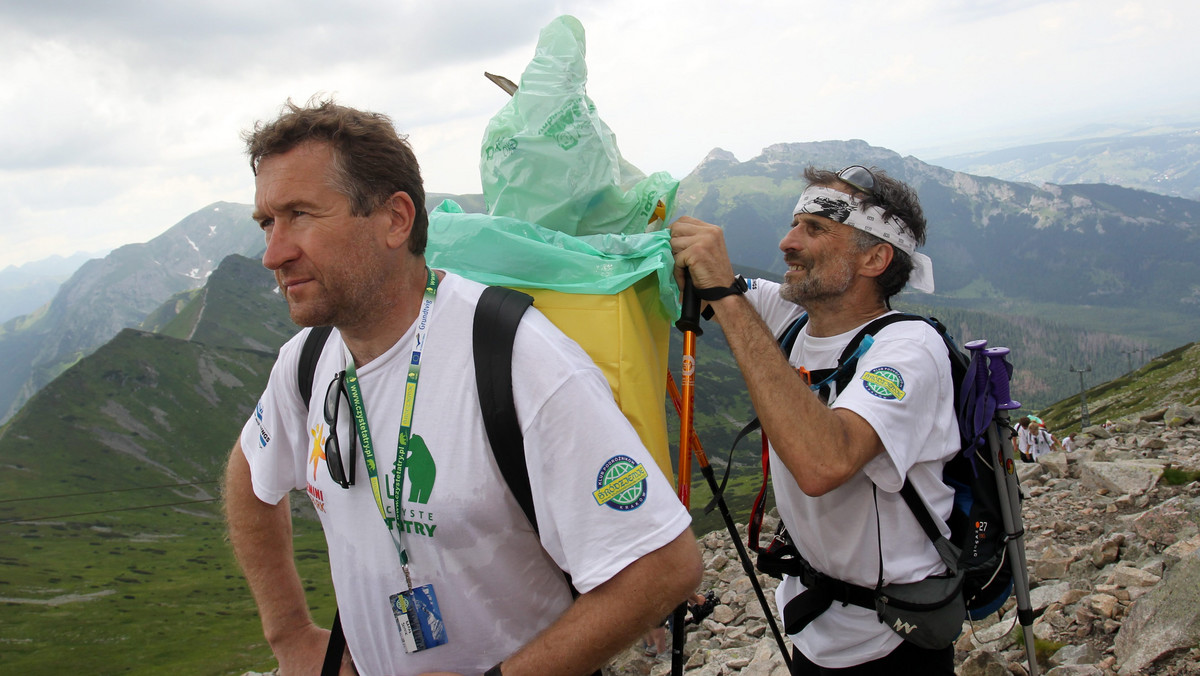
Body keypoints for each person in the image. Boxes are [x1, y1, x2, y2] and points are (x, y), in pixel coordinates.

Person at [223, 98, 701, 676]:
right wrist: (291, 634)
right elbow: (251, 471)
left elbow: (667, 565)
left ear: (396, 219)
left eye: (301, 214)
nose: (274, 252)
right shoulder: (307, 360)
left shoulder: (518, 358)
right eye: (267, 222)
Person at [669, 165, 956, 674]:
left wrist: (725, 296)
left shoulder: (909, 348)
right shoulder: (792, 317)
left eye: (814, 229)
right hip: (814, 623)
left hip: (890, 640)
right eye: (795, 223)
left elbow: (824, 463)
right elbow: (682, 261)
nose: (786, 242)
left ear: (874, 258)